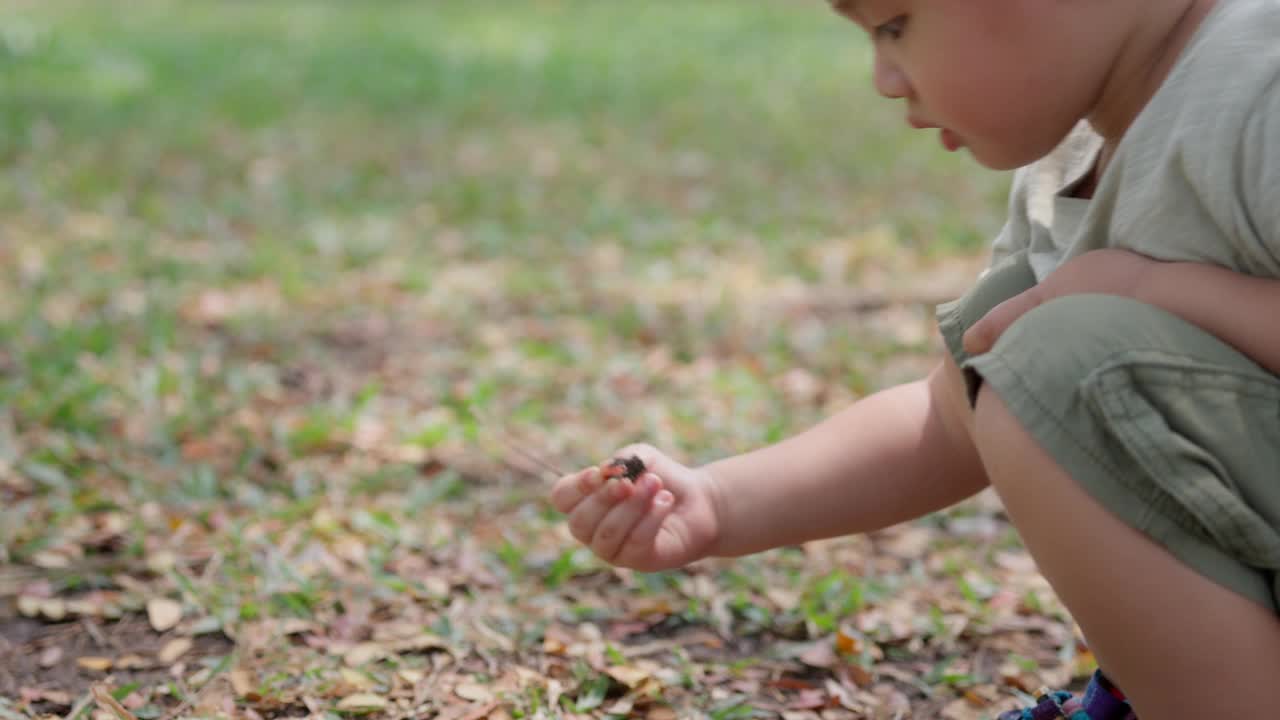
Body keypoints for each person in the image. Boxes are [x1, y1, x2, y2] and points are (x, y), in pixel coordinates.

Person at [550, 0, 1280, 716]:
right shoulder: (1074, 160)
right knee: (1027, 363)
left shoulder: (1259, 81)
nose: (885, 79)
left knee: (1058, 362)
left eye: (895, 24)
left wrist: (1151, 286)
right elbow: (954, 411)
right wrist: (719, 502)